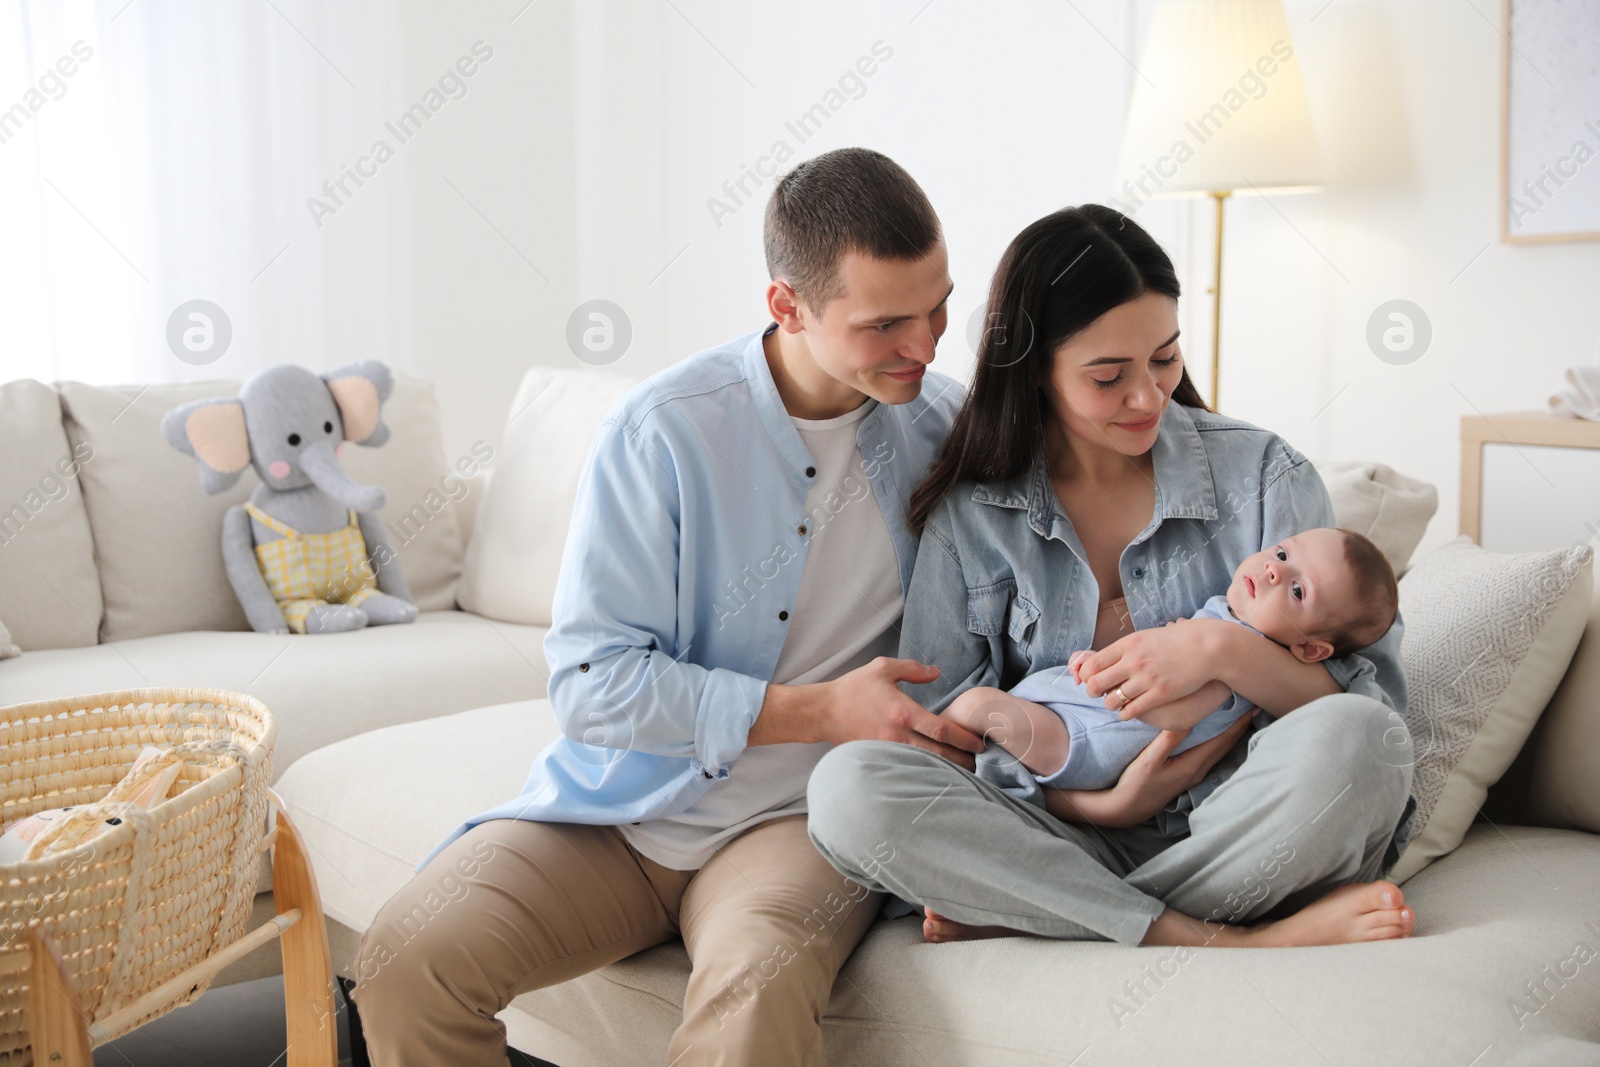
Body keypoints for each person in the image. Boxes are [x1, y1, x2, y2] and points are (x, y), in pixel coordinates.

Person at [348, 147, 984, 1067]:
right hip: (623, 807)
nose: (925, 346)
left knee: (753, 996)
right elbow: (592, 684)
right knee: (411, 955)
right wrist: (818, 707)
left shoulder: (946, 433)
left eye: (938, 308)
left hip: (802, 823)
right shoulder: (665, 432)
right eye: (887, 323)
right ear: (787, 307)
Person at [806, 204, 1421, 951]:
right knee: (849, 790)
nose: (1148, 397)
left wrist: (1224, 652)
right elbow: (943, 738)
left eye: (1165, 358)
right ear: (1035, 368)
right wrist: (1103, 809)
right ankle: (1223, 939)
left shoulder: (1264, 476)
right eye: (1108, 375)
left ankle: (1065, 913)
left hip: (1240, 827)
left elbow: (1372, 709)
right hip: (1059, 834)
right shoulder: (973, 518)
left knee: (1364, 740)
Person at [945, 527, 1399, 817]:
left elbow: (1172, 716)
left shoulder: (1246, 674)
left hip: (1085, 743)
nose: (1273, 572)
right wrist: (1097, 663)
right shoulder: (1229, 612)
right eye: (1281, 554)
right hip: (1077, 709)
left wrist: (1114, 685)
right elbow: (1149, 655)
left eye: (1298, 589)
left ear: (1308, 648)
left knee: (972, 708)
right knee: (971, 745)